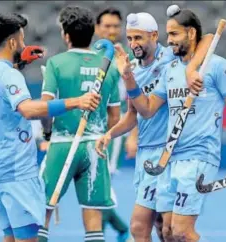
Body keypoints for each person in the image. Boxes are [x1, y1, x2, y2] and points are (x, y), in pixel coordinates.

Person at [112, 5, 226, 242]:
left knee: (183, 232)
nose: (169, 41)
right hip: (169, 159)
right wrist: (129, 78)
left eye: (174, 34)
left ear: (191, 33)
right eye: (168, 35)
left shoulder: (217, 66)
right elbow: (147, 109)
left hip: (199, 156)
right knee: (166, 231)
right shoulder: (171, 69)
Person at [0, 13, 100, 242]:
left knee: (10, 236)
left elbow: (1, 96)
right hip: (16, 172)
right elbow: (28, 109)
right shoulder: (9, 75)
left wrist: (20, 61)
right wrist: (76, 101)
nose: (23, 44)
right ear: (12, 42)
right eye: (21, 40)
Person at [96, 11, 213, 242]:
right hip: (146, 154)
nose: (133, 44)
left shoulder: (170, 56)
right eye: (130, 39)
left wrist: (190, 70)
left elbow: (208, 39)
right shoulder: (133, 70)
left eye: (138, 38)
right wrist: (109, 134)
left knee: (167, 230)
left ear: (154, 35)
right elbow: (133, 115)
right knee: (144, 228)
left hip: (169, 154)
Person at [37, 6, 121, 242]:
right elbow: (115, 117)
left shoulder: (56, 63)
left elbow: (46, 108)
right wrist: (104, 139)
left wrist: (47, 133)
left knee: (41, 211)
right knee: (93, 219)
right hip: (95, 147)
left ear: (65, 34)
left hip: (63, 144)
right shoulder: (109, 68)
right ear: (92, 32)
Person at [95, 7, 134, 242]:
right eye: (106, 26)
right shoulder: (89, 56)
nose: (111, 30)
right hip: (88, 130)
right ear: (97, 28)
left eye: (115, 26)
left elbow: (134, 101)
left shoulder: (126, 59)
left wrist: (133, 135)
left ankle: (96, 235)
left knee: (100, 187)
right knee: (95, 189)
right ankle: (120, 228)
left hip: (112, 132)